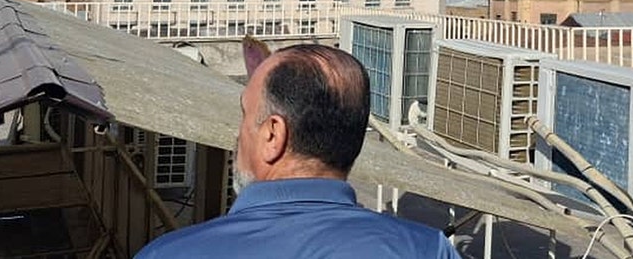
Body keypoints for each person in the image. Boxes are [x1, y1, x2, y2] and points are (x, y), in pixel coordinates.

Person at [136, 44, 459, 258]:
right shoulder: (427, 250)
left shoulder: (170, 253)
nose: (238, 134)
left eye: (245, 115)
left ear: (273, 135)